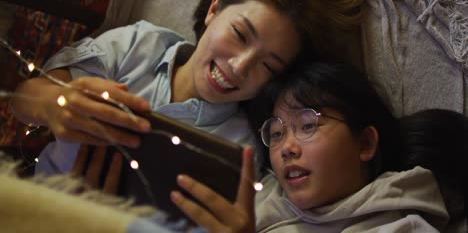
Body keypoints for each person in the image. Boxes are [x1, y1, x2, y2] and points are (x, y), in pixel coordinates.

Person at [9, 0, 369, 176]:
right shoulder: (140, 45)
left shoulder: (240, 149)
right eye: (240, 35)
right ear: (215, 8)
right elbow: (24, 98)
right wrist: (57, 103)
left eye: (267, 65)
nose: (239, 67)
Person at [171, 61, 450, 232]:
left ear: (364, 143)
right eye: (277, 133)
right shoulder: (262, 195)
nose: (286, 148)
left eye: (308, 125)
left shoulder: (400, 228)